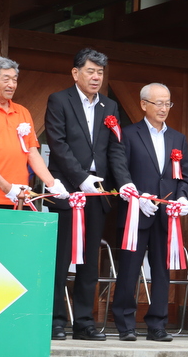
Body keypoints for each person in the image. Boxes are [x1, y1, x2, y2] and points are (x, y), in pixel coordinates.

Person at [46, 48, 138, 341]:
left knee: (89, 261)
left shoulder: (109, 106)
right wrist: (81, 179)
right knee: (61, 259)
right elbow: (58, 145)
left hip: (97, 194)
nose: (96, 77)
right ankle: (56, 320)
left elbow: (115, 149)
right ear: (76, 73)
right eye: (90, 71)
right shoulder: (59, 100)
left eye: (100, 72)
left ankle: (84, 322)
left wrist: (124, 182)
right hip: (67, 192)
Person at [111, 83, 188, 343]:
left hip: (167, 214)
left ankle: (158, 325)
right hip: (137, 211)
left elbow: (185, 176)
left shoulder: (177, 138)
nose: (164, 108)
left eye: (168, 103)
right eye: (158, 103)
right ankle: (125, 324)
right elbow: (120, 169)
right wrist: (136, 195)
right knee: (130, 269)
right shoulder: (129, 134)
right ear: (144, 104)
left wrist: (182, 197)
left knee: (162, 270)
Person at [0, 56, 68, 208]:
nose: (12, 85)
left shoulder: (22, 112)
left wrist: (52, 183)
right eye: (6, 79)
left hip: (20, 197)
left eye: (15, 80)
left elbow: (32, 153)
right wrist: (8, 188)